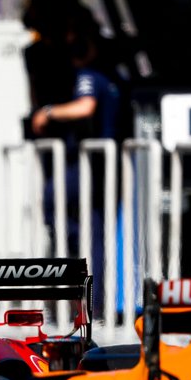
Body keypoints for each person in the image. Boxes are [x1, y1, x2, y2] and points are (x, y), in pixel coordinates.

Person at [30, 16, 121, 313]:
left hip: (83, 170)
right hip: (97, 171)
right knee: (89, 235)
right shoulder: (112, 77)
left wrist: (48, 113)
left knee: (68, 232)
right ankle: (88, 303)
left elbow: (85, 106)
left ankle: (79, 304)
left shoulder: (89, 76)